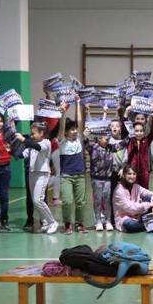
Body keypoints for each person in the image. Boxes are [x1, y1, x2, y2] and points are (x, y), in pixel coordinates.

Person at [18, 122, 58, 234]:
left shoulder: (46, 143)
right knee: (35, 201)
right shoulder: (32, 144)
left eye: (33, 133)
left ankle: (52, 222)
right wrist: (9, 150)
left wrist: (23, 140)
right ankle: (45, 223)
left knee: (38, 200)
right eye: (30, 133)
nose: (31, 136)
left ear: (41, 133)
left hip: (42, 174)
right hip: (32, 173)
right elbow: (23, 155)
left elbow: (38, 147)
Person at [58, 99, 88, 233]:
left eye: (75, 129)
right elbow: (61, 127)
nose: (75, 131)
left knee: (81, 202)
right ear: (66, 132)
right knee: (67, 201)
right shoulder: (62, 141)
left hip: (80, 175)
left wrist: (77, 104)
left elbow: (80, 121)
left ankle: (79, 223)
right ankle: (67, 224)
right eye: (71, 130)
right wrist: (63, 114)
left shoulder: (80, 139)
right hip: (66, 177)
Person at [112, 165, 153, 233]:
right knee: (130, 225)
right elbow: (130, 208)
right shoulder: (118, 190)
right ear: (124, 175)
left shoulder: (136, 187)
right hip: (125, 219)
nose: (132, 176)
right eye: (129, 174)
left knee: (149, 197)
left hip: (139, 216)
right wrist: (150, 204)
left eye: (134, 174)